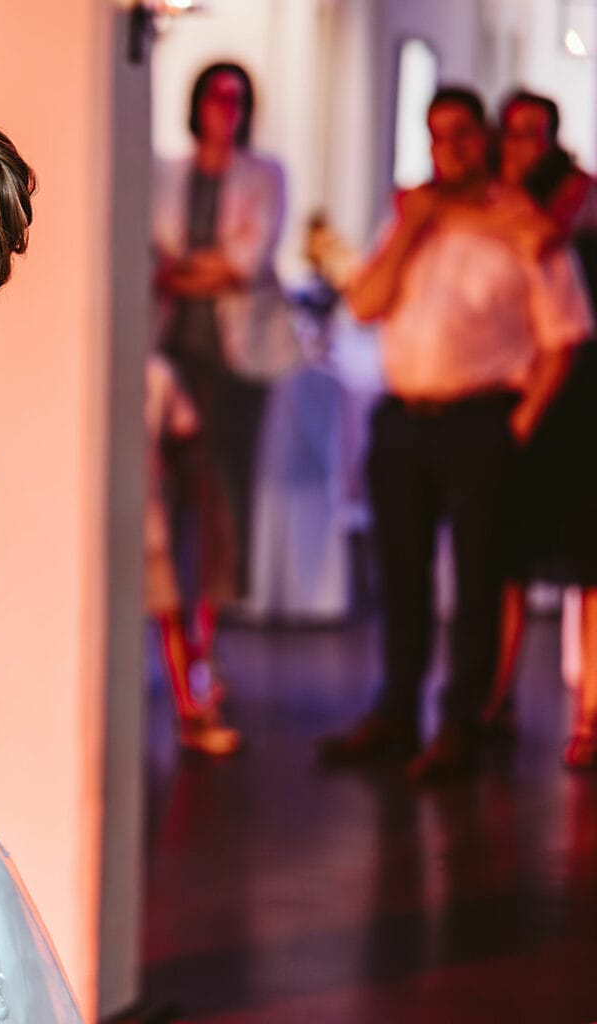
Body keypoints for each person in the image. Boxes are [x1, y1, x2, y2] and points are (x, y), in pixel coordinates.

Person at [318, 86, 592, 781]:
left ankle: (462, 721)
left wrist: (519, 422)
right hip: (406, 418)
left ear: (486, 139)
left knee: (476, 579)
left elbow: (566, 335)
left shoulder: (524, 223)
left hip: (481, 419)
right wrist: (416, 224)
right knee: (400, 575)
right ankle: (397, 710)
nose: (451, 149)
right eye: (437, 136)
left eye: (464, 134)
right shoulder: (413, 218)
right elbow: (365, 302)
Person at [151, 62, 297, 609]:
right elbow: (155, 258)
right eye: (216, 98)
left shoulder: (264, 175)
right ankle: (171, 616)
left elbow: (244, 263)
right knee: (168, 492)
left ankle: (213, 623)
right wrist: (192, 269)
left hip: (236, 358)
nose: (225, 111)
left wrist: (185, 270)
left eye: (236, 101)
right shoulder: (169, 171)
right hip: (172, 348)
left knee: (225, 494)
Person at [480, 90, 597, 766]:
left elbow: (544, 235)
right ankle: (493, 697)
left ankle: (588, 715)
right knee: (505, 555)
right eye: (514, 132)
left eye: (535, 133)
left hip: (580, 398)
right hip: (515, 390)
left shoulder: (575, 196)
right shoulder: (492, 201)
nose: (524, 144)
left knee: (586, 560)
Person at [146, 354, 243, 756]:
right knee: (171, 618)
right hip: (143, 515)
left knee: (171, 615)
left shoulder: (155, 374)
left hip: (148, 517)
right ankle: (192, 713)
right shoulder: (156, 374)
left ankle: (192, 714)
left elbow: (187, 436)